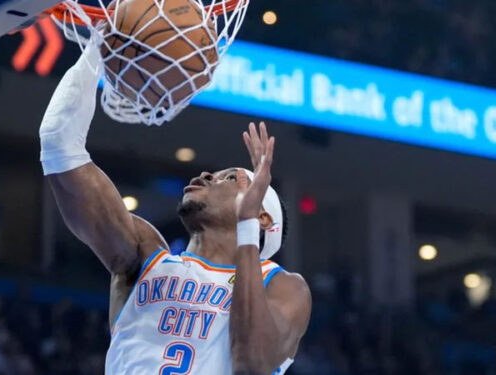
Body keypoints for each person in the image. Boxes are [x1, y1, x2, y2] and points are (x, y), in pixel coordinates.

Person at [38, 40, 312, 375]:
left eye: (229, 178)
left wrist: (246, 226)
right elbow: (59, 144)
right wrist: (97, 43)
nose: (206, 174)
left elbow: (252, 364)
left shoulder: (284, 286)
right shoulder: (144, 254)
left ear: (262, 216)